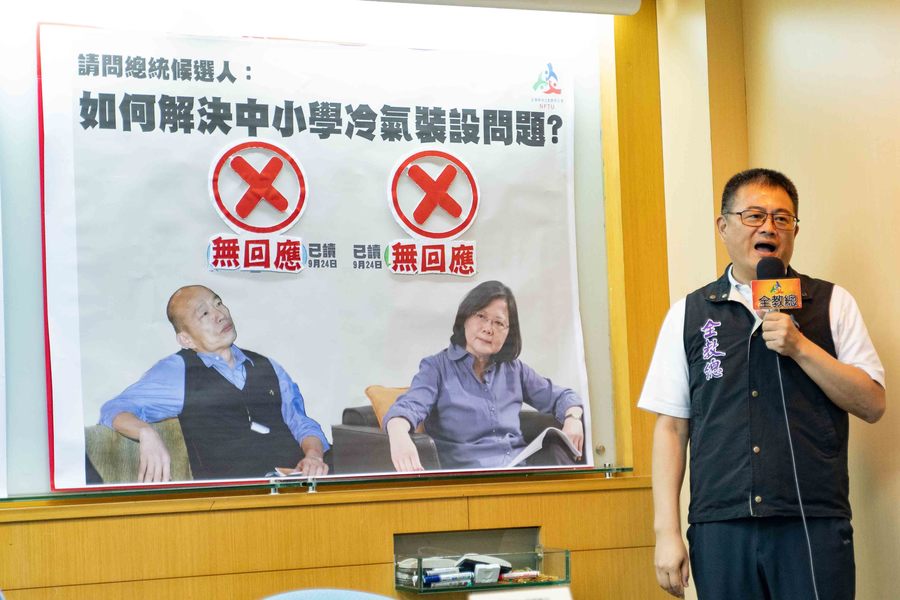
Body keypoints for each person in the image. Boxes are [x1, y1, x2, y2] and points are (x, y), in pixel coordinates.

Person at [639, 168, 885, 599]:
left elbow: (872, 403)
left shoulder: (831, 303)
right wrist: (666, 532)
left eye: (782, 218)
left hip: (811, 522)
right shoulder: (690, 314)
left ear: (794, 231)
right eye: (754, 216)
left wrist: (800, 347)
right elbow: (672, 428)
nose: (769, 227)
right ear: (724, 227)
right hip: (721, 524)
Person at [99, 285, 330, 483]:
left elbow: (300, 422)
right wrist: (146, 432)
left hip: (298, 481)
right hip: (238, 496)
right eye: (205, 313)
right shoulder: (177, 371)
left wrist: (313, 456)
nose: (220, 315)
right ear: (186, 339)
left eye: (218, 303)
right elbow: (113, 409)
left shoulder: (267, 365)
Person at [383, 280, 585, 471]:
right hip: (471, 479)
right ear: (465, 319)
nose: (488, 329)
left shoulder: (514, 370)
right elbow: (409, 406)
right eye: (481, 316)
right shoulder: (436, 368)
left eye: (499, 323)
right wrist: (399, 435)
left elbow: (563, 396)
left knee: (557, 452)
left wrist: (573, 418)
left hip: (519, 471)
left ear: (508, 333)